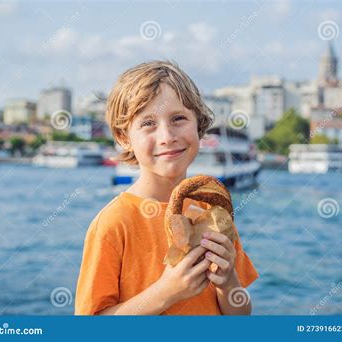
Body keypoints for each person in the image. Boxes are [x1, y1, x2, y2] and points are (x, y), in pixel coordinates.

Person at [75, 60, 258, 315]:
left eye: (179, 118)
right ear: (124, 137)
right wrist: (166, 292)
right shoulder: (113, 224)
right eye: (148, 123)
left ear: (199, 124)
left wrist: (228, 283)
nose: (167, 136)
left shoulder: (211, 212)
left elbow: (241, 315)